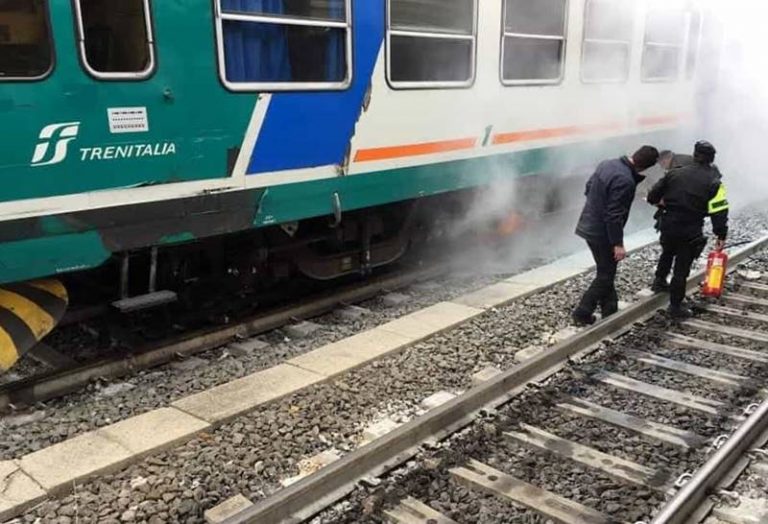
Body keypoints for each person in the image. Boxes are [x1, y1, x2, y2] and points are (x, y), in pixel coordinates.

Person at [572, 146, 661, 326]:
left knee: (606, 270)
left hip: (588, 225)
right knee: (605, 275)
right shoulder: (626, 180)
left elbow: (588, 187)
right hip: (601, 233)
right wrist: (618, 244)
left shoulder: (607, 164)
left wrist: (596, 207)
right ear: (645, 167)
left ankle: (610, 310)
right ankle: (582, 312)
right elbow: (614, 216)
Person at [647, 141, 729, 319]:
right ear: (712, 159)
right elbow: (719, 210)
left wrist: (665, 203)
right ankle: (675, 306)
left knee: (667, 251)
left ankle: (659, 281)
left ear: (694, 155)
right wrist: (721, 234)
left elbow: (653, 196)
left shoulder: (674, 173)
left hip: (668, 223)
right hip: (691, 227)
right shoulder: (715, 182)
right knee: (681, 269)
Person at [651, 151, 695, 292]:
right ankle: (670, 288)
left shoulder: (677, 168)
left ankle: (661, 282)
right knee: (679, 255)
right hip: (687, 220)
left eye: (662, 164)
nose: (662, 167)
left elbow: (658, 193)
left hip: (675, 219)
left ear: (667, 159)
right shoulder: (685, 163)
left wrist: (662, 200)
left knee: (669, 252)